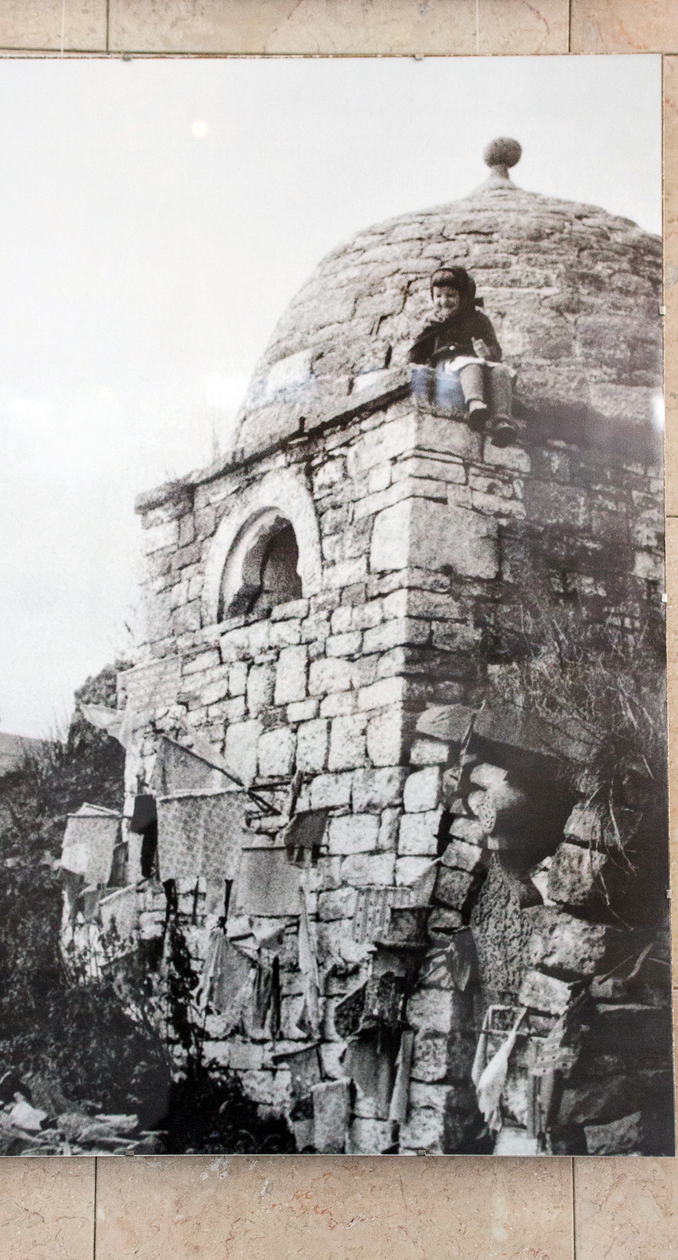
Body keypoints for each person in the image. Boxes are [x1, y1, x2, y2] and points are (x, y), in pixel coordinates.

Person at [409, 266, 517, 445]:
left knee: (500, 371)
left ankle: (502, 421)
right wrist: (415, 365)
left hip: (478, 364)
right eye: (438, 296)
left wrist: (487, 352)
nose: (444, 301)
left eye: (450, 295)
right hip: (449, 365)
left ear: (463, 296)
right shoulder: (434, 323)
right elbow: (417, 350)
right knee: (470, 364)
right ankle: (475, 404)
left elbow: (494, 348)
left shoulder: (478, 319)